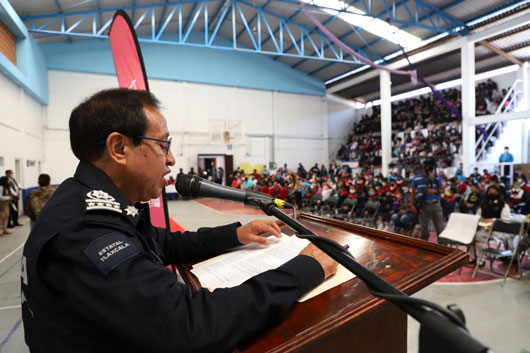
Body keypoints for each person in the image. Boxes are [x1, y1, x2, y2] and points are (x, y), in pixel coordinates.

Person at [21, 89, 337, 353]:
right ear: (119, 148)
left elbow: (164, 242)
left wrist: (236, 234)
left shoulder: (89, 200)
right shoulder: (85, 231)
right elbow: (186, 326)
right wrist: (303, 269)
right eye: (163, 145)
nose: (171, 159)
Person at [410, 158, 445, 242]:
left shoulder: (436, 177)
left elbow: (442, 190)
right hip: (423, 205)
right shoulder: (416, 178)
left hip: (435, 205)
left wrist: (432, 191)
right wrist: (412, 205)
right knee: (424, 230)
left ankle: (442, 249)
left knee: (440, 229)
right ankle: (425, 250)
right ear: (424, 167)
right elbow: (412, 193)